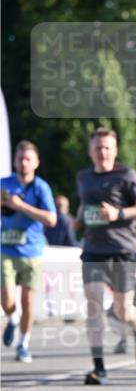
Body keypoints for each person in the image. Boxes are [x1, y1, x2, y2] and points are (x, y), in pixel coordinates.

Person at [75, 127, 136, 385]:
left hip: (122, 250)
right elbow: (86, 202)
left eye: (107, 147)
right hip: (93, 250)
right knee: (93, 306)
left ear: (115, 150)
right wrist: (78, 219)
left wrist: (118, 214)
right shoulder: (83, 176)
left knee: (123, 310)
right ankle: (99, 368)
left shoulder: (126, 175)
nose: (102, 152)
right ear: (90, 151)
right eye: (98, 148)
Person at [1, 141, 57, 363]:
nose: (23, 163)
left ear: (36, 162)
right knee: (7, 301)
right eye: (19, 159)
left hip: (32, 252)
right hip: (5, 249)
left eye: (27, 159)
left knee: (27, 301)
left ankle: (23, 344)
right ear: (14, 161)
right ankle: (12, 318)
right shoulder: (4, 183)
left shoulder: (40, 187)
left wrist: (21, 206)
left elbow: (52, 219)